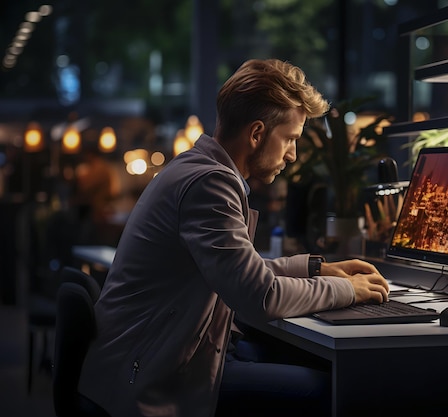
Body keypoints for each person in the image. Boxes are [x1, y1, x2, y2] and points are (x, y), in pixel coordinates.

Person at [78, 58, 389, 417]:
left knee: (290, 360)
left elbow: (243, 272)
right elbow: (260, 294)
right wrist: (351, 290)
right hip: (148, 378)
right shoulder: (210, 184)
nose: (293, 154)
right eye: (289, 139)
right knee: (329, 392)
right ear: (257, 133)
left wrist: (316, 269)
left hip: (156, 359)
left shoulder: (195, 168)